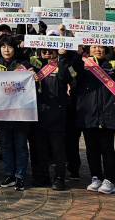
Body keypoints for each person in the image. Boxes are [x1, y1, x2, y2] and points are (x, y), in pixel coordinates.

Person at [72, 43, 115, 194]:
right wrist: (78, 56)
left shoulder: (112, 65)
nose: (97, 49)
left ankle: (110, 180)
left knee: (107, 149)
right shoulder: (84, 65)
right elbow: (73, 75)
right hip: (88, 114)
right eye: (93, 47)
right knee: (91, 149)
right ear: (88, 49)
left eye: (100, 47)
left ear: (105, 49)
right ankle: (96, 177)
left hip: (107, 113)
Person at [0, 36, 32, 191]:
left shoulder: (25, 65)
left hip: (21, 112)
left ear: (15, 49)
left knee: (20, 145)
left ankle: (20, 176)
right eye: (3, 47)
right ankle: (9, 174)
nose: (6, 50)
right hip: (2, 112)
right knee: (6, 145)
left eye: (10, 47)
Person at [28, 43, 72, 191]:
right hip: (39, 113)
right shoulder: (35, 65)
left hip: (57, 113)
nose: (47, 53)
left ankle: (59, 177)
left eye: (50, 51)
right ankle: (43, 174)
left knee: (58, 149)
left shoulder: (62, 64)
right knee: (40, 148)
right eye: (44, 51)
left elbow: (66, 78)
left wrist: (63, 57)